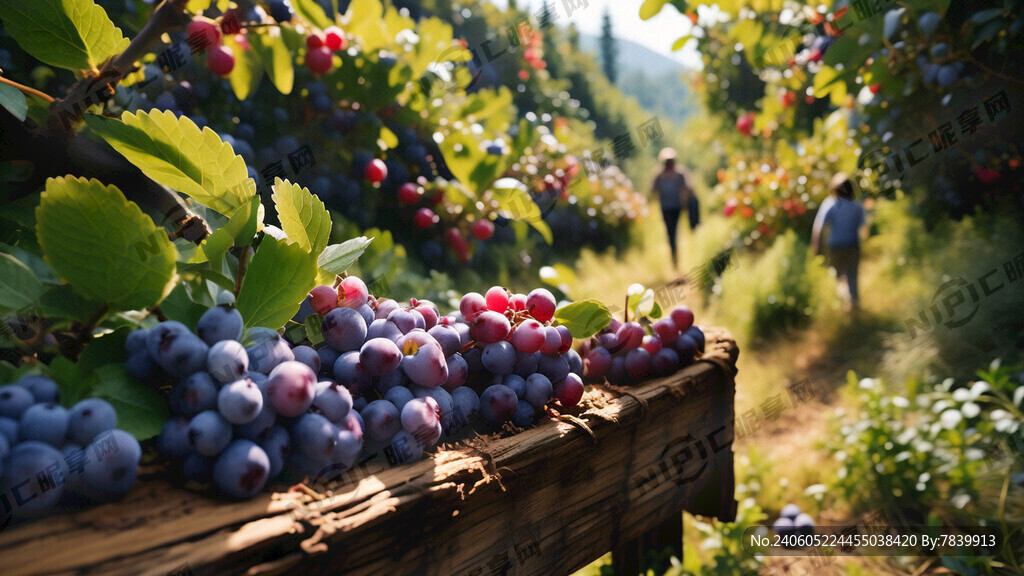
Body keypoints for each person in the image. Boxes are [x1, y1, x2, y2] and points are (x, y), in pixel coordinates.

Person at [811, 173, 866, 311]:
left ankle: (845, 304)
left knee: (838, 276)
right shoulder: (857, 207)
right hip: (853, 246)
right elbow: (863, 229)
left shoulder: (830, 204)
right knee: (852, 277)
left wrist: (816, 246)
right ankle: (854, 306)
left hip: (836, 247)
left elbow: (818, 227)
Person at [652, 148, 695, 269]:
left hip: (676, 207)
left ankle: (675, 258)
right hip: (665, 208)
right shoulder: (659, 175)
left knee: (674, 231)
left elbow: (687, 189)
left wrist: (685, 203)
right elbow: (653, 190)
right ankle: (673, 257)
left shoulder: (680, 174)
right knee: (670, 232)